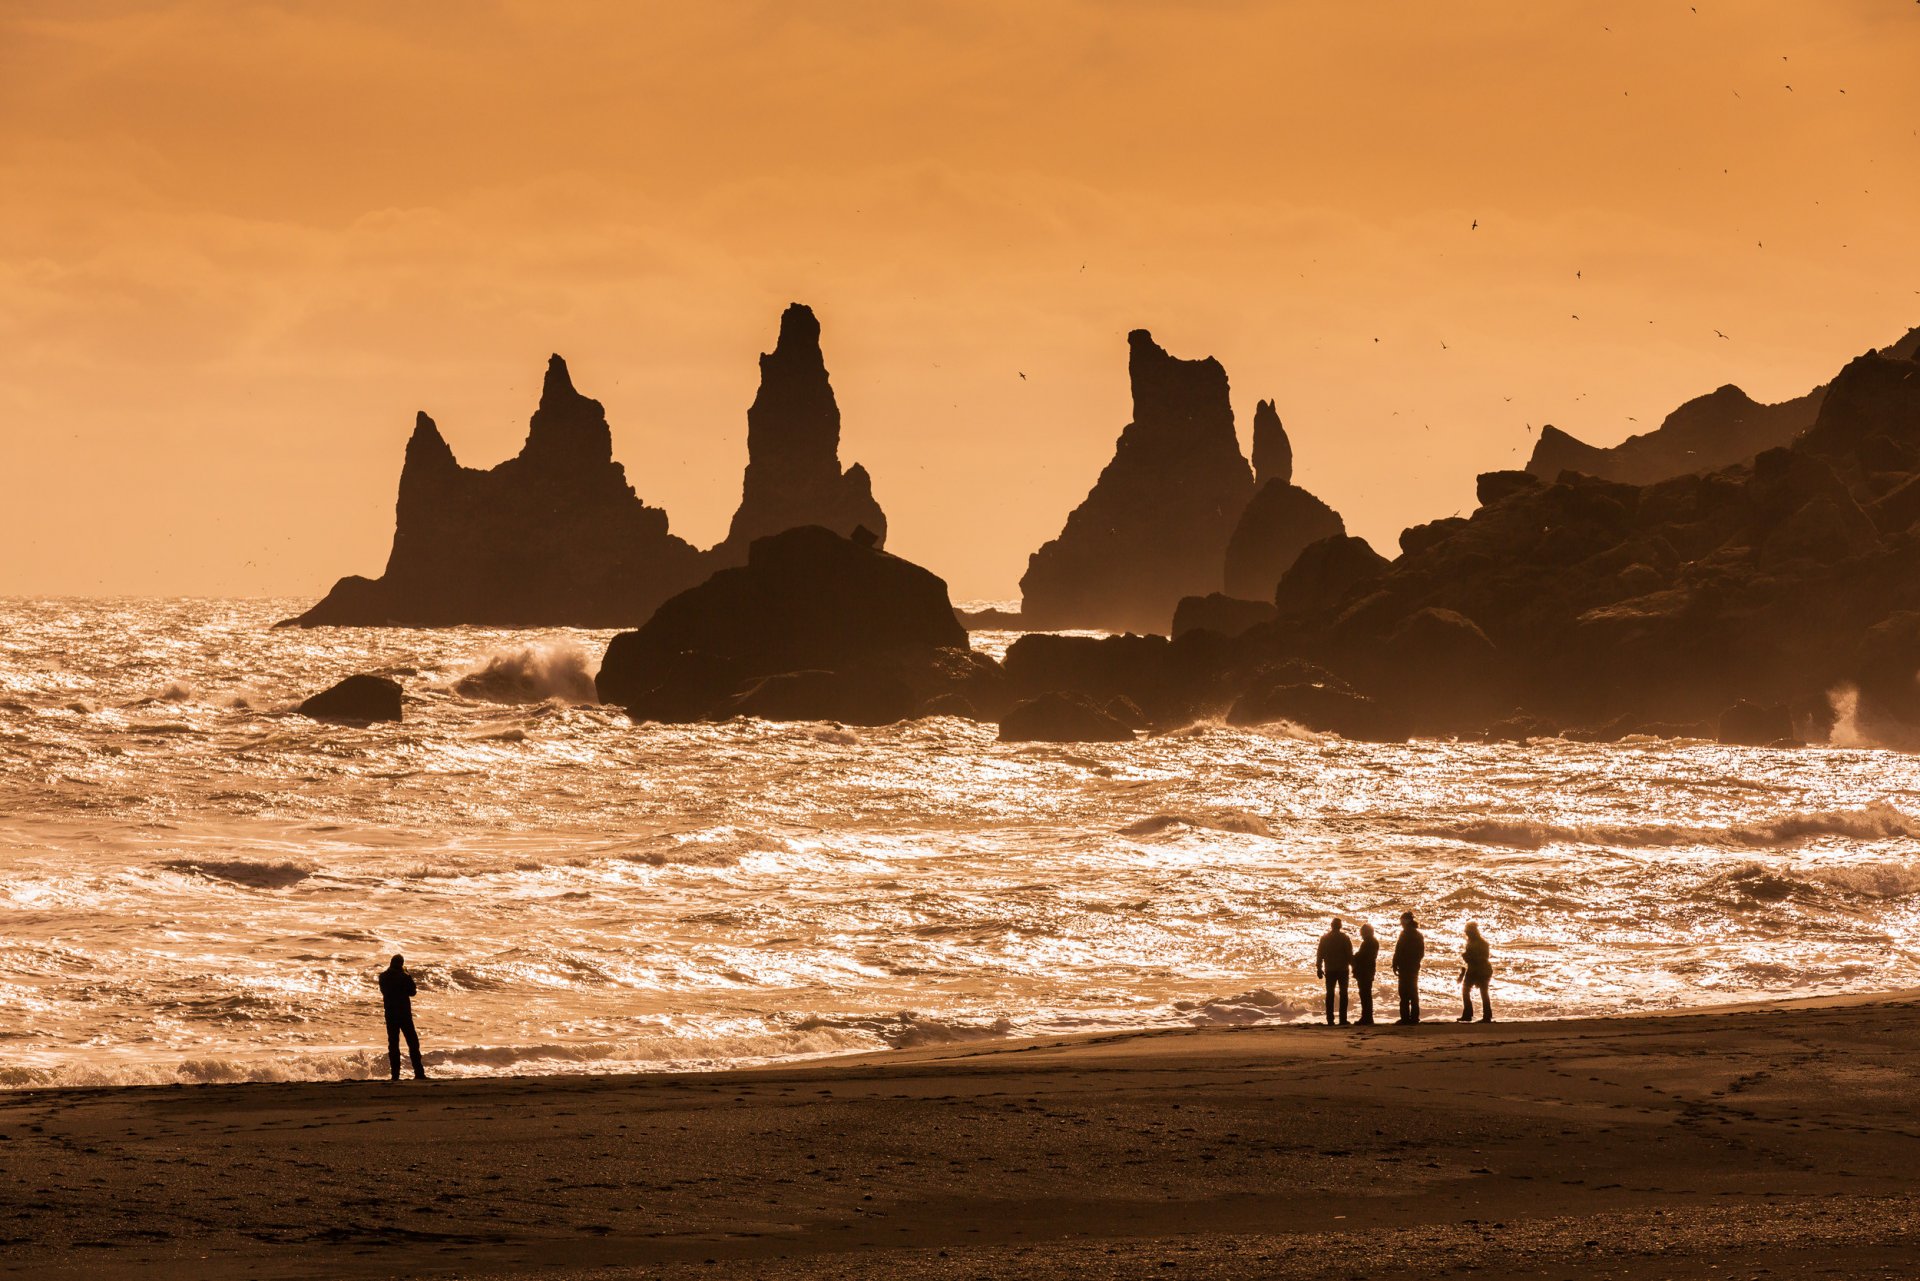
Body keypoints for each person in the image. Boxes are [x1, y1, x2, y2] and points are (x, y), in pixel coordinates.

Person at [378, 954, 427, 1080]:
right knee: (413, 1043)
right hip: (404, 1014)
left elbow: (385, 992)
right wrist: (407, 974)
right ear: (401, 964)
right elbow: (413, 991)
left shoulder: (382, 977)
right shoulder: (403, 976)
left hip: (390, 1014)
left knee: (393, 1044)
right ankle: (419, 1073)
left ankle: (395, 1075)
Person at [1315, 917, 1354, 1027]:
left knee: (1330, 995)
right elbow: (1349, 955)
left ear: (1331, 926)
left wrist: (1319, 968)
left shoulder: (1325, 938)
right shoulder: (1345, 938)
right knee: (1343, 994)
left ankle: (1330, 1020)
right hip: (1343, 970)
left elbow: (1320, 954)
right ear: (1340, 926)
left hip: (1330, 970)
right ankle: (1343, 1019)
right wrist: (1355, 968)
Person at [1392, 911, 1425, 1024]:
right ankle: (1414, 1017)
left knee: (1404, 993)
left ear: (1406, 921)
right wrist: (1415, 963)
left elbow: (1398, 951)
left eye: (1402, 920)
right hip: (1413, 967)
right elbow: (1421, 953)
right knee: (1413, 992)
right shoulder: (1418, 935)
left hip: (1406, 967)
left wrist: (1395, 964)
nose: (1401, 923)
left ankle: (1405, 1017)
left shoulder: (1405, 934)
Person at [1459, 922, 1493, 1023]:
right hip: (1473, 969)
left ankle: (1485, 1016)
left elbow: (1483, 958)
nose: (1466, 933)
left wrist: (1468, 957)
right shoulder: (1471, 942)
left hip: (1481, 970)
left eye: (1467, 931)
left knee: (1483, 992)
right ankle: (1468, 1015)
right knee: (1467, 991)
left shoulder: (1481, 943)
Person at [1351, 923, 1379, 1026]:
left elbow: (1362, 956)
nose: (1361, 934)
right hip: (1369, 971)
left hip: (1365, 971)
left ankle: (1366, 1017)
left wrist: (1353, 957)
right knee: (1366, 994)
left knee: (1365, 994)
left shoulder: (1368, 942)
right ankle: (1367, 1017)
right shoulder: (1373, 942)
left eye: (1362, 932)